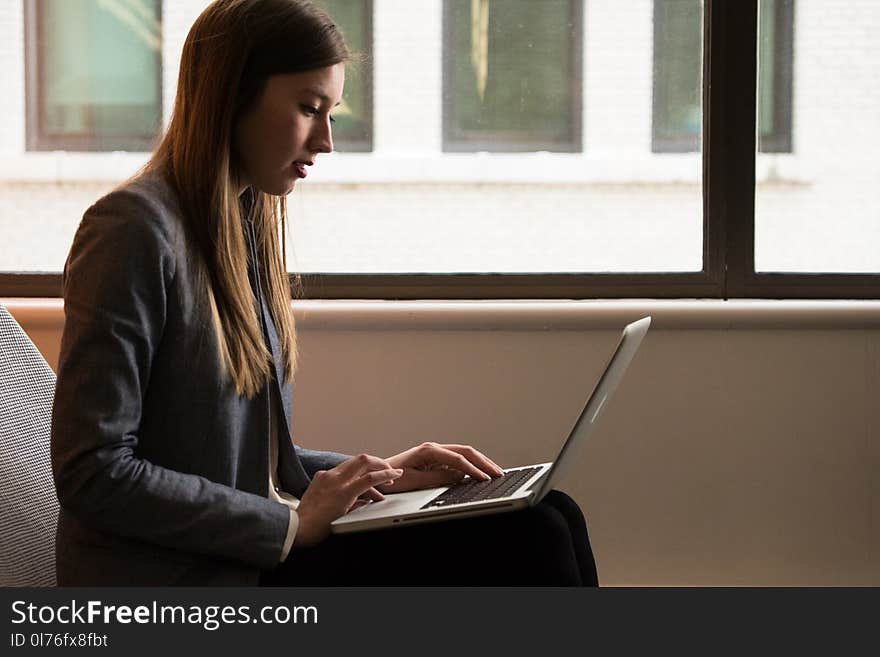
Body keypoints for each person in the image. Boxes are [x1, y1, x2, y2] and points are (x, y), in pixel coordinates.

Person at [50, 0, 599, 587]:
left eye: (332, 112)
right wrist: (291, 525)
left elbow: (254, 471)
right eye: (309, 109)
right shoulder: (131, 230)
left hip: (246, 554)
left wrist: (382, 476)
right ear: (230, 96)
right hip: (184, 579)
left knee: (550, 511)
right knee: (532, 537)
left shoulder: (244, 223)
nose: (327, 141)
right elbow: (94, 470)